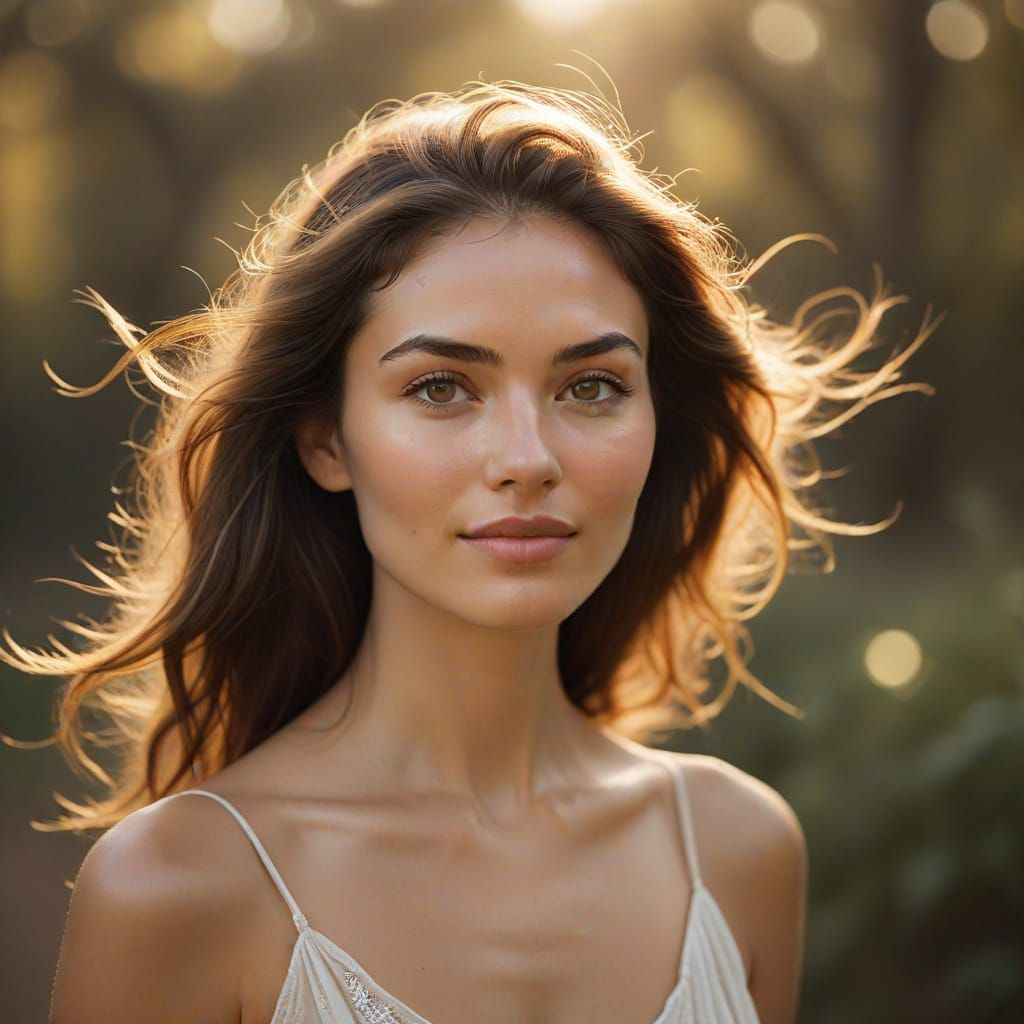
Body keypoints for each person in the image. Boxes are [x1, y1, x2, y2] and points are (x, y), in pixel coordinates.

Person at [3, 77, 935, 1024]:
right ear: (325, 439)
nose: (528, 460)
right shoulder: (178, 889)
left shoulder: (738, 849)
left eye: (593, 387)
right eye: (443, 387)